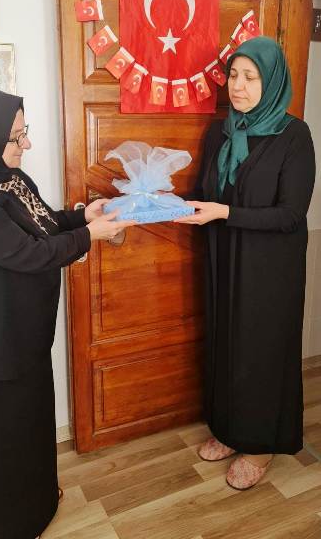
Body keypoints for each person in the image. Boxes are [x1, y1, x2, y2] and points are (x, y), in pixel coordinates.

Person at [0, 84, 135, 539]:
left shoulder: (10, 180)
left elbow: (42, 224)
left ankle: (35, 503)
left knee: (29, 420)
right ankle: (3, 527)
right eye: (16, 137)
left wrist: (83, 217)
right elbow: (27, 253)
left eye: (25, 132)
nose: (26, 144)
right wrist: (91, 237)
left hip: (21, 330)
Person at [175, 36, 316, 490]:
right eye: (233, 75)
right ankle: (229, 430)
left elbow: (290, 214)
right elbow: (206, 193)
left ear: (271, 81)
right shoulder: (221, 131)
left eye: (250, 77)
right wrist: (158, 201)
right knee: (227, 345)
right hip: (224, 257)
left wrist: (224, 213)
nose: (237, 86)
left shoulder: (294, 136)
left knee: (260, 351)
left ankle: (259, 444)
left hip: (269, 268)